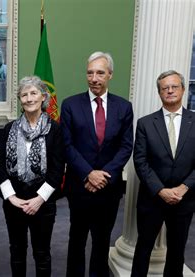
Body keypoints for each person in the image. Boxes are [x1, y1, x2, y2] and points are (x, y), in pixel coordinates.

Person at [60, 51, 133, 277]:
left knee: (102, 241)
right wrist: (88, 174)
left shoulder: (124, 107)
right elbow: (67, 145)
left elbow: (125, 146)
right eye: (90, 73)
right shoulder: (70, 105)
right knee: (77, 240)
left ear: (110, 74)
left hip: (108, 189)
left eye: (100, 73)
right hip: (79, 186)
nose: (94, 78)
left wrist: (103, 175)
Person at [0, 76, 65, 276]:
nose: (28, 98)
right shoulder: (9, 129)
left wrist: (39, 199)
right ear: (20, 99)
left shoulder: (55, 129)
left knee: (42, 253)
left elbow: (58, 168)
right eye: (24, 94)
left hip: (43, 203)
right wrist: (11, 197)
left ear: (43, 97)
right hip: (14, 203)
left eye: (33, 93)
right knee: (17, 251)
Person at [131, 70, 195, 277]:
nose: (169, 91)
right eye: (164, 88)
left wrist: (183, 188)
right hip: (152, 199)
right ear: (159, 93)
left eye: (174, 86)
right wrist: (160, 190)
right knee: (143, 249)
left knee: (177, 252)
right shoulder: (145, 123)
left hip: (184, 199)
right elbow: (140, 161)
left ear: (183, 90)